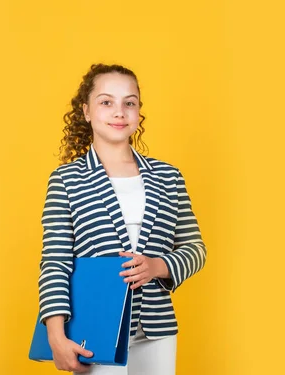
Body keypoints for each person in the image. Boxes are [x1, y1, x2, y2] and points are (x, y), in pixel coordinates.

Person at [36, 63, 207, 374]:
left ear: (138, 111)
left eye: (129, 103)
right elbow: (55, 262)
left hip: (157, 330)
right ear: (86, 111)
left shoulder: (168, 177)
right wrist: (55, 336)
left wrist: (159, 265)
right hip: (94, 326)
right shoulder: (66, 180)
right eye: (106, 102)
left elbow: (195, 248)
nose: (119, 112)